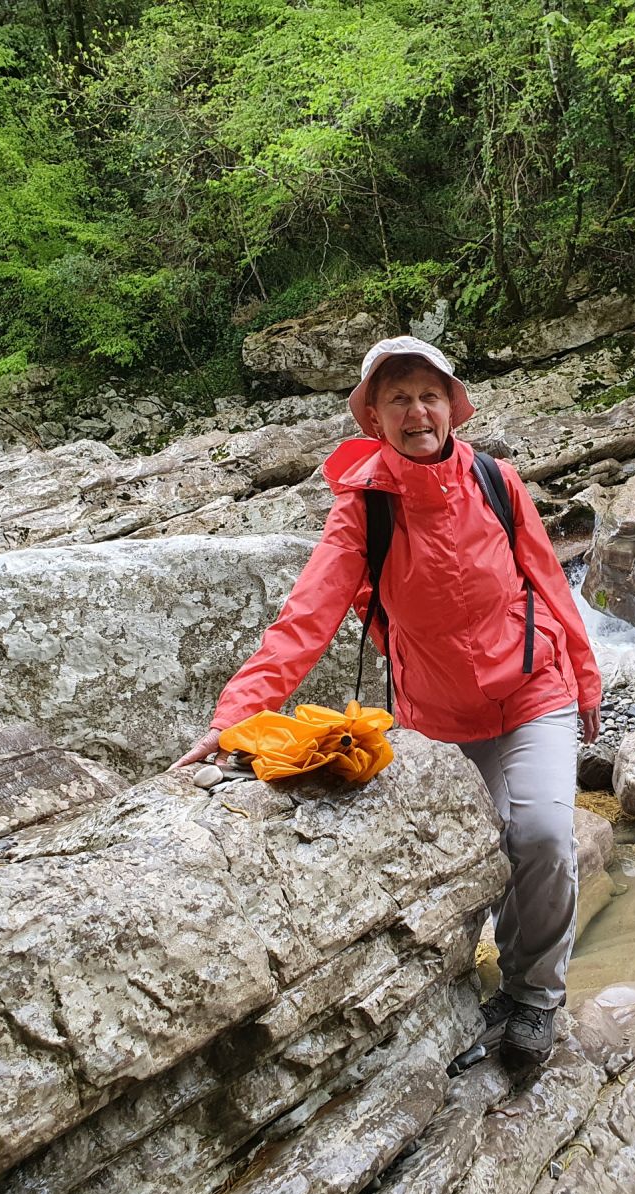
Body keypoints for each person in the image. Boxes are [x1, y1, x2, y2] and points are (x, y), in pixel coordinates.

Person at [174, 335, 602, 1065]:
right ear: (373, 415)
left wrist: (586, 681)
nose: (417, 411)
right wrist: (237, 718)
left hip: (534, 690)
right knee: (485, 850)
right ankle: (485, 975)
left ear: (452, 406)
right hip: (434, 714)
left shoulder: (498, 482)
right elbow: (306, 616)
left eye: (429, 394)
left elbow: (548, 583)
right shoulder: (363, 510)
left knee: (542, 837)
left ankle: (532, 996)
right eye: (397, 397)